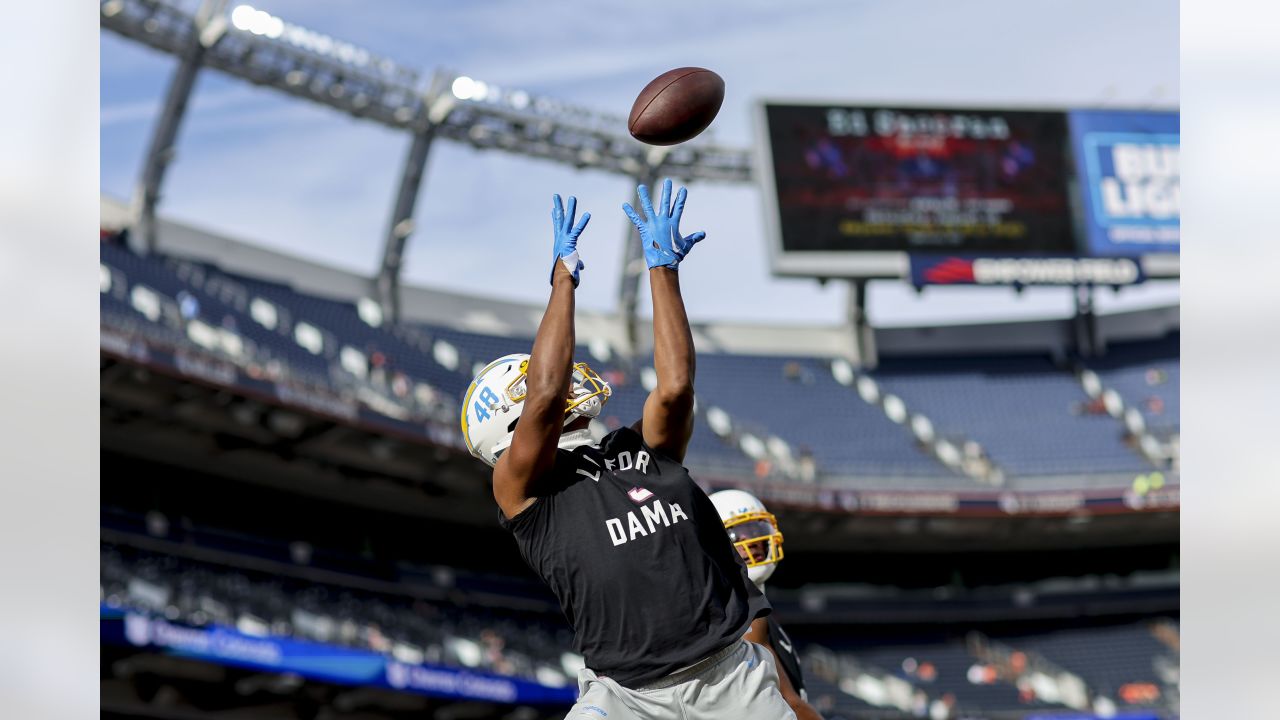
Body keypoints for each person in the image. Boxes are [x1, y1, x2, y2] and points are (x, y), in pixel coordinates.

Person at [461, 181, 795, 719]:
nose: (564, 384)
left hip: (730, 677)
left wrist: (663, 271)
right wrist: (563, 279)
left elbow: (676, 387)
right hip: (625, 698)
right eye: (532, 387)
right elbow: (546, 394)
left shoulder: (638, 448)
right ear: (506, 421)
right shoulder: (522, 491)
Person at [710, 489, 824, 720]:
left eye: (754, 530)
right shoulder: (739, 611)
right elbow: (787, 703)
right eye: (736, 536)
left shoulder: (754, 606)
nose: (751, 542)